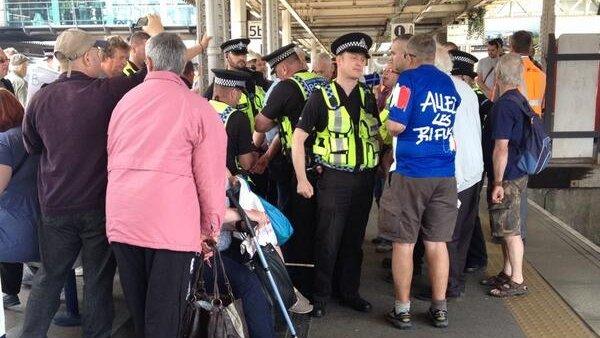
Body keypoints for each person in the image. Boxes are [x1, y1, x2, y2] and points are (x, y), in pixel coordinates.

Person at [19, 15, 195, 338]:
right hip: (98, 206)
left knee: (49, 277)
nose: (101, 58)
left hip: (54, 207)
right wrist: (158, 33)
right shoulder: (108, 92)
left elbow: (32, 145)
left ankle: (30, 334)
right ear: (88, 57)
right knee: (98, 280)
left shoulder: (39, 99)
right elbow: (158, 71)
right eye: (98, 53)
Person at [106, 32, 225, 338]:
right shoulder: (199, 109)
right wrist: (210, 231)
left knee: (141, 310)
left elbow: (112, 157)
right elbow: (210, 179)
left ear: (148, 62)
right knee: (165, 316)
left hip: (123, 218)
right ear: (184, 65)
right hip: (170, 227)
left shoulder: (124, 103)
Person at [293, 32, 379, 318]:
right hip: (334, 179)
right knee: (328, 239)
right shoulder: (321, 96)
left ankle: (349, 292)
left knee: (354, 239)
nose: (359, 63)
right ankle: (320, 295)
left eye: (363, 59)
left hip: (364, 179)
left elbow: (375, 136)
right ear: (338, 61)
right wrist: (302, 179)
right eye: (353, 58)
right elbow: (297, 139)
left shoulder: (367, 96)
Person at [379, 34, 460, 330]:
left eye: (398, 55)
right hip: (444, 173)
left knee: (404, 243)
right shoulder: (447, 83)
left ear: (410, 58)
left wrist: (388, 120)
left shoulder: (407, 81)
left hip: (411, 174)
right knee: (437, 244)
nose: (395, 59)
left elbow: (397, 125)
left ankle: (402, 310)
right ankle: (439, 309)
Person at [254, 43, 329, 297]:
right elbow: (292, 126)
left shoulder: (287, 86)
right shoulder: (324, 83)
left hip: (297, 169)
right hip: (329, 167)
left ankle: (298, 281)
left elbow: (263, 124)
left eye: (276, 72)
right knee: (325, 224)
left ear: (284, 68)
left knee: (295, 225)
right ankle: (326, 278)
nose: (276, 76)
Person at [482, 52, 530, 298]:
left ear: (498, 75)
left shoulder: (503, 106)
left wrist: (498, 183)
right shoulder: (521, 100)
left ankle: (518, 280)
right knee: (506, 225)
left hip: (508, 175)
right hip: (519, 170)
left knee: (510, 230)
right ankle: (508, 271)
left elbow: (501, 147)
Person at [445, 49, 484, 298]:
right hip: (474, 171)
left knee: (449, 234)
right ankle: (454, 283)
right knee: (462, 232)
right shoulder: (469, 92)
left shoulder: (448, 91)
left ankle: (449, 286)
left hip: (457, 173)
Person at [0, 89, 40, 309]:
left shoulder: (4, 142)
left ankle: (10, 294)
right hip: (39, 209)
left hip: (12, 215)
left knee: (10, 249)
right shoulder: (31, 134)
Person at [203, 38, 264, 132]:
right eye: (237, 54)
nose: (242, 57)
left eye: (243, 54)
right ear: (227, 55)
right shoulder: (220, 82)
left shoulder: (256, 78)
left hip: (259, 138)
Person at [209, 69, 257, 175]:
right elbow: (246, 163)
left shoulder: (199, 109)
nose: (239, 100)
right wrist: (254, 156)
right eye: (239, 96)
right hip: (226, 182)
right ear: (233, 93)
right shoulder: (238, 118)